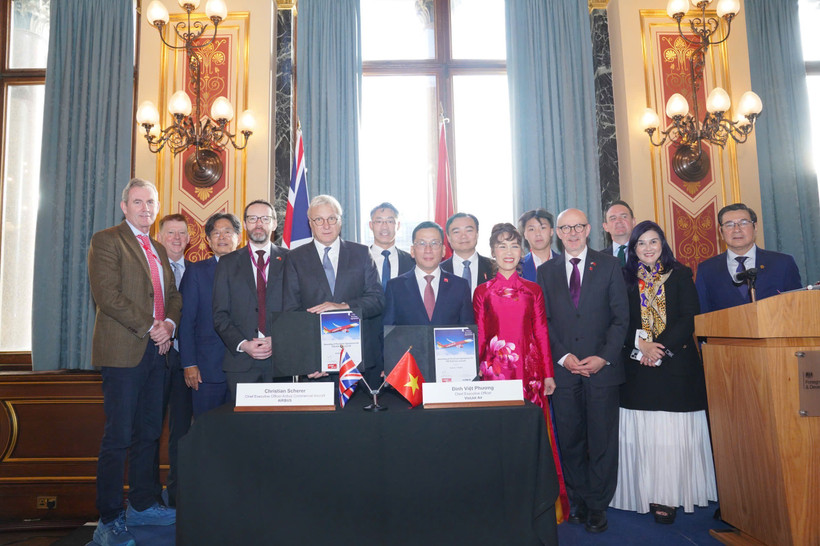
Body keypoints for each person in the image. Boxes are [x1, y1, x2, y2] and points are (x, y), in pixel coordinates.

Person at [88, 178, 181, 546]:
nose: (145, 208)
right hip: (124, 354)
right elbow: (107, 295)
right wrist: (152, 327)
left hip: (158, 354)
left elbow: (172, 295)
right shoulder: (107, 240)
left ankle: (142, 504)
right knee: (119, 437)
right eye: (138, 202)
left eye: (151, 202)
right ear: (124, 206)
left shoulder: (158, 247)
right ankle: (109, 519)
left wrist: (169, 324)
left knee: (149, 434)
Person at [611, 220, 717, 519]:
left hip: (676, 365)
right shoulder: (622, 278)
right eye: (641, 243)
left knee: (671, 436)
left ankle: (669, 496)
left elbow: (689, 316)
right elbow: (618, 318)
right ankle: (642, 492)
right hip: (637, 368)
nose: (648, 248)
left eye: (653, 241)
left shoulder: (680, 273)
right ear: (633, 249)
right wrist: (642, 345)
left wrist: (660, 349)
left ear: (663, 244)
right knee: (644, 436)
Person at [537, 208, 628, 534]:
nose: (572, 233)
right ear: (557, 233)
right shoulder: (545, 272)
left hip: (602, 370)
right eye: (565, 228)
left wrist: (603, 357)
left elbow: (621, 318)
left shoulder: (609, 265)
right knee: (571, 440)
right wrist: (562, 357)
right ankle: (577, 500)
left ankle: (598, 505)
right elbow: (543, 321)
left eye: (578, 226)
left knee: (602, 440)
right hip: (564, 371)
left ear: (589, 229)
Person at [473, 223, 570, 523]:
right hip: (495, 375)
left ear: (522, 251)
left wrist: (548, 373)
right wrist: (478, 374)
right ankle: (498, 502)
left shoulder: (533, 290)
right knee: (497, 437)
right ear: (492, 252)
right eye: (502, 246)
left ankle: (537, 501)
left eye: (514, 246)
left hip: (530, 375)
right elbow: (480, 336)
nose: (508, 252)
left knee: (533, 436)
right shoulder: (482, 292)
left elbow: (541, 332)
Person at [283, 195, 384, 383]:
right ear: (310, 223)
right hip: (316, 364)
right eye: (319, 220)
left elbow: (376, 300)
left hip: (358, 362)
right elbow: (291, 312)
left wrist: (344, 306)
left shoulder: (362, 253)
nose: (326, 225)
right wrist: (309, 359)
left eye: (332, 218)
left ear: (340, 221)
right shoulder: (294, 258)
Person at [212, 200, 288, 399]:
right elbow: (220, 315)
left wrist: (279, 340)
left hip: (281, 362)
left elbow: (296, 309)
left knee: (280, 420)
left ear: (274, 224)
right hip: (241, 363)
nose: (259, 224)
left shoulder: (291, 260)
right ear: (245, 224)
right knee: (244, 420)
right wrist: (243, 344)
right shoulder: (227, 263)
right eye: (253, 219)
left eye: (265, 219)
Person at [179, 212, 241, 417]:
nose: (222, 237)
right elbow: (186, 320)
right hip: (206, 370)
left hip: (244, 367)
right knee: (207, 429)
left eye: (228, 232)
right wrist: (189, 363)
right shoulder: (196, 272)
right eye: (216, 233)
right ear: (208, 240)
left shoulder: (251, 270)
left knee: (243, 430)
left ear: (239, 237)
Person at [695, 203, 802, 313]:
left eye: (743, 223)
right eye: (729, 225)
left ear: (755, 227)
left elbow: (798, 309)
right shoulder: (707, 270)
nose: (737, 229)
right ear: (721, 232)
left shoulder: (782, 263)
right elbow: (703, 315)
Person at [155, 213, 192, 508]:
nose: (177, 238)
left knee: (182, 431)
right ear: (159, 236)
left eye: (182, 233)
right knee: (149, 431)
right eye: (171, 233)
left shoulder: (197, 272)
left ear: (189, 239)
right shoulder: (149, 269)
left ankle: (177, 496)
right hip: (153, 359)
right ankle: (149, 499)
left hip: (186, 363)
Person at [383, 221, 473, 326]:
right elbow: (388, 331)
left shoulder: (460, 286)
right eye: (422, 243)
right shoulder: (395, 287)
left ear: (443, 250)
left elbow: (468, 330)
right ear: (412, 251)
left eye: (434, 243)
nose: (428, 250)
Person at [441, 212, 493, 293]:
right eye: (456, 232)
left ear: (477, 234)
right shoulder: (438, 270)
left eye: (469, 230)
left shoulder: (494, 268)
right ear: (448, 237)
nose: (463, 236)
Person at [369, 202, 414, 291]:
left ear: (398, 225)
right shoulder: (358, 260)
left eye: (390, 221)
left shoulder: (412, 262)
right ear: (371, 225)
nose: (384, 226)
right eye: (379, 221)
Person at [518, 208, 559, 281]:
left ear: (551, 231)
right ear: (525, 235)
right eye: (531, 229)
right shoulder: (518, 267)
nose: (538, 234)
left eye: (542, 228)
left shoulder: (565, 263)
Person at [601, 200, 637, 266]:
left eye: (624, 217)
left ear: (633, 222)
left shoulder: (645, 253)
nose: (619, 221)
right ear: (605, 227)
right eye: (613, 218)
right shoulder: (599, 259)